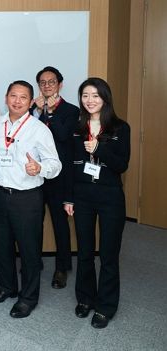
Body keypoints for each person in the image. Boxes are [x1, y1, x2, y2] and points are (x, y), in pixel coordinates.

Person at [0, 80, 61, 318]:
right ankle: (7, 287)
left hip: (27, 197)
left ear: (30, 101)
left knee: (28, 250)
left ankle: (28, 298)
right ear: (6, 98)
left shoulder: (39, 129)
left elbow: (55, 164)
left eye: (23, 97)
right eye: (13, 96)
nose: (17, 101)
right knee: (1, 246)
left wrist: (39, 168)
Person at [64, 77, 130, 329]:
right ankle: (85, 298)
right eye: (85, 96)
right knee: (84, 251)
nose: (90, 100)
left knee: (108, 254)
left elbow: (122, 165)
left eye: (95, 95)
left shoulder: (120, 128)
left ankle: (106, 306)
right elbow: (70, 167)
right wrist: (68, 197)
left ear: (105, 98)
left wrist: (99, 149)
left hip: (110, 196)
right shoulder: (75, 127)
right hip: (81, 195)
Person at [31, 66, 79, 289]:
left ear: (60, 84)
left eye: (51, 82)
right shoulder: (32, 109)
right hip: (35, 174)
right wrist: (37, 112)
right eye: (42, 82)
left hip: (59, 175)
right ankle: (34, 262)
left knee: (60, 224)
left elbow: (62, 135)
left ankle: (62, 267)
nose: (46, 86)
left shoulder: (71, 111)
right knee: (34, 221)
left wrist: (47, 113)